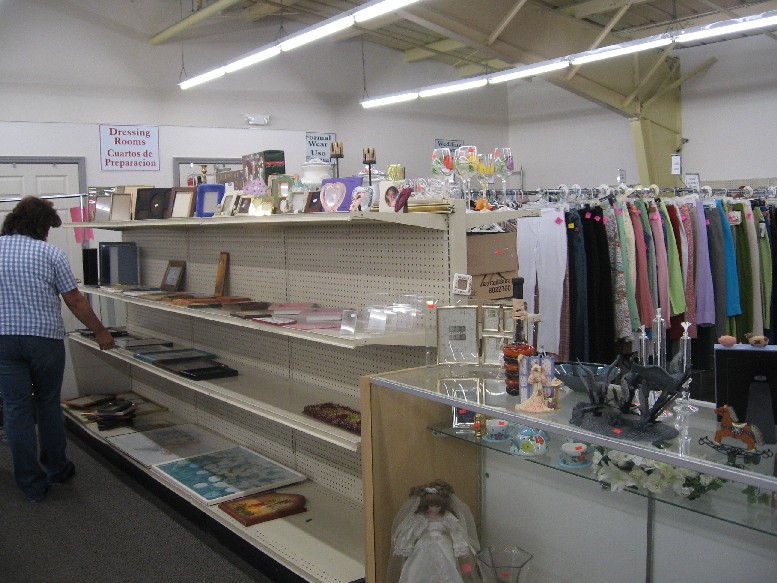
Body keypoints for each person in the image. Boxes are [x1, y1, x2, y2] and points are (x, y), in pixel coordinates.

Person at [0, 196, 115, 502]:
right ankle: (56, 469)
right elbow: (74, 300)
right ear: (39, 226)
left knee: (16, 409)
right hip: (43, 339)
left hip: (3, 340)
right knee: (48, 403)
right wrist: (100, 331)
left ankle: (31, 483)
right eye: (47, 228)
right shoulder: (50, 253)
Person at [387, 479, 480, 583]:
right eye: (432, 506)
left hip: (444, 547)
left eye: (437, 506)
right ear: (427, 505)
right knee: (419, 570)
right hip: (423, 548)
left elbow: (456, 533)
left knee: (447, 569)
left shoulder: (447, 517)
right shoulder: (420, 518)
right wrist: (404, 545)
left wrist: (461, 547)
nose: (435, 509)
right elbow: (410, 534)